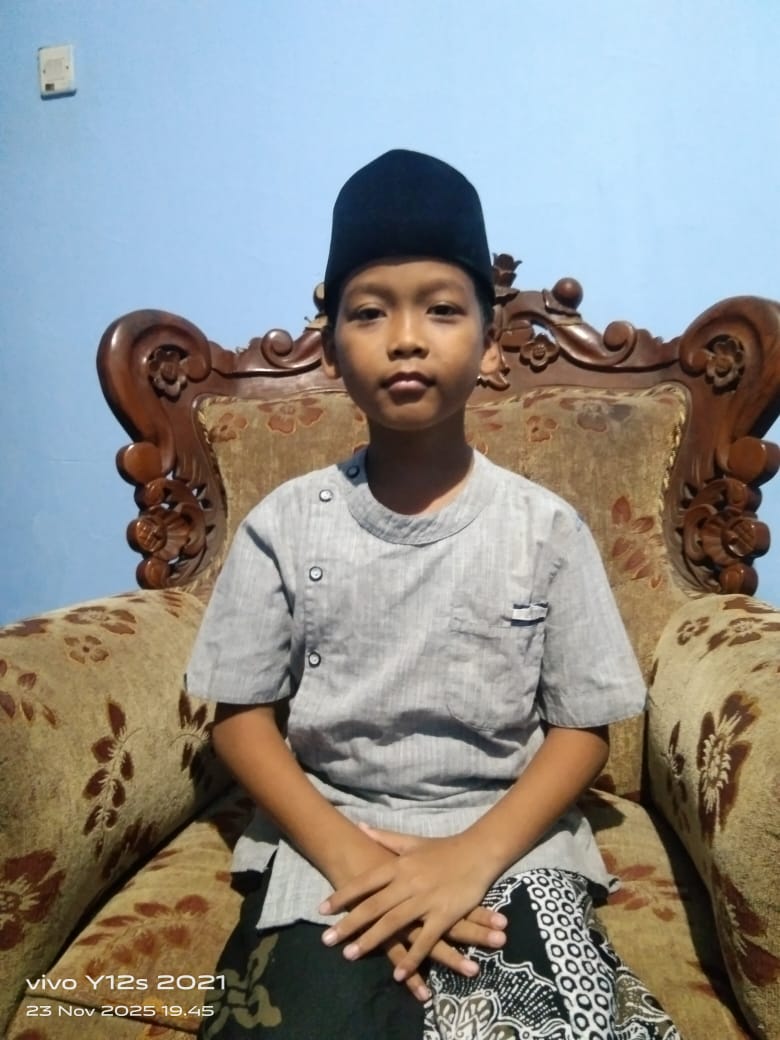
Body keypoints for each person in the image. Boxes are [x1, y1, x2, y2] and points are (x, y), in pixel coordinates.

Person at [187, 149, 680, 1039]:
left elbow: (583, 731)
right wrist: (348, 857)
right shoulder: (284, 524)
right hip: (333, 839)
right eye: (369, 312)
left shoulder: (545, 529)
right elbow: (239, 715)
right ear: (331, 349)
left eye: (443, 309)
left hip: (508, 839)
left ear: (491, 344)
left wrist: (468, 859)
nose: (406, 338)